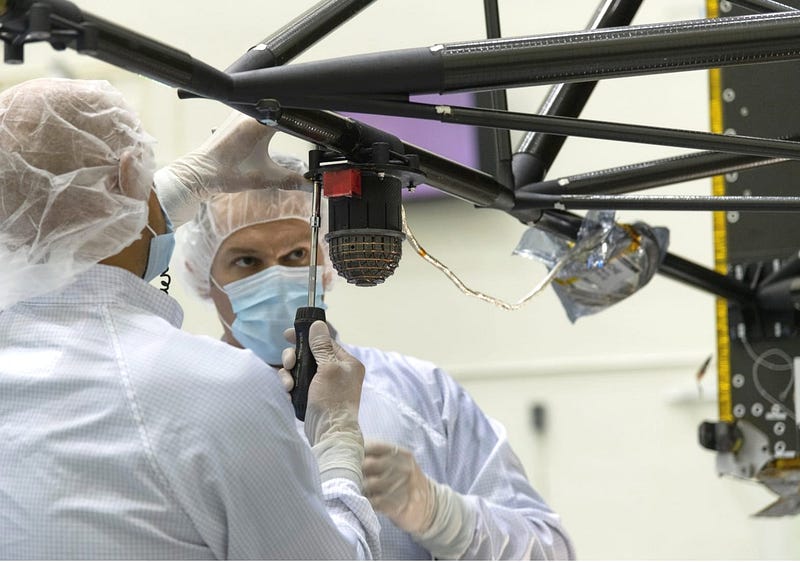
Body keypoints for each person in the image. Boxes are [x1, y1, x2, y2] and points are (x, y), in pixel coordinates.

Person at [0, 78, 381, 559]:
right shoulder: (211, 387)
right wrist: (338, 442)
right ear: (129, 174)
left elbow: (55, 219)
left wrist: (174, 187)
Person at [177, 154, 576, 560]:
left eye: (296, 255)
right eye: (247, 261)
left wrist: (438, 513)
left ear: (326, 263)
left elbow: (550, 552)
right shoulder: (179, 409)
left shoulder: (422, 394)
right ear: (202, 276)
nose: (276, 277)